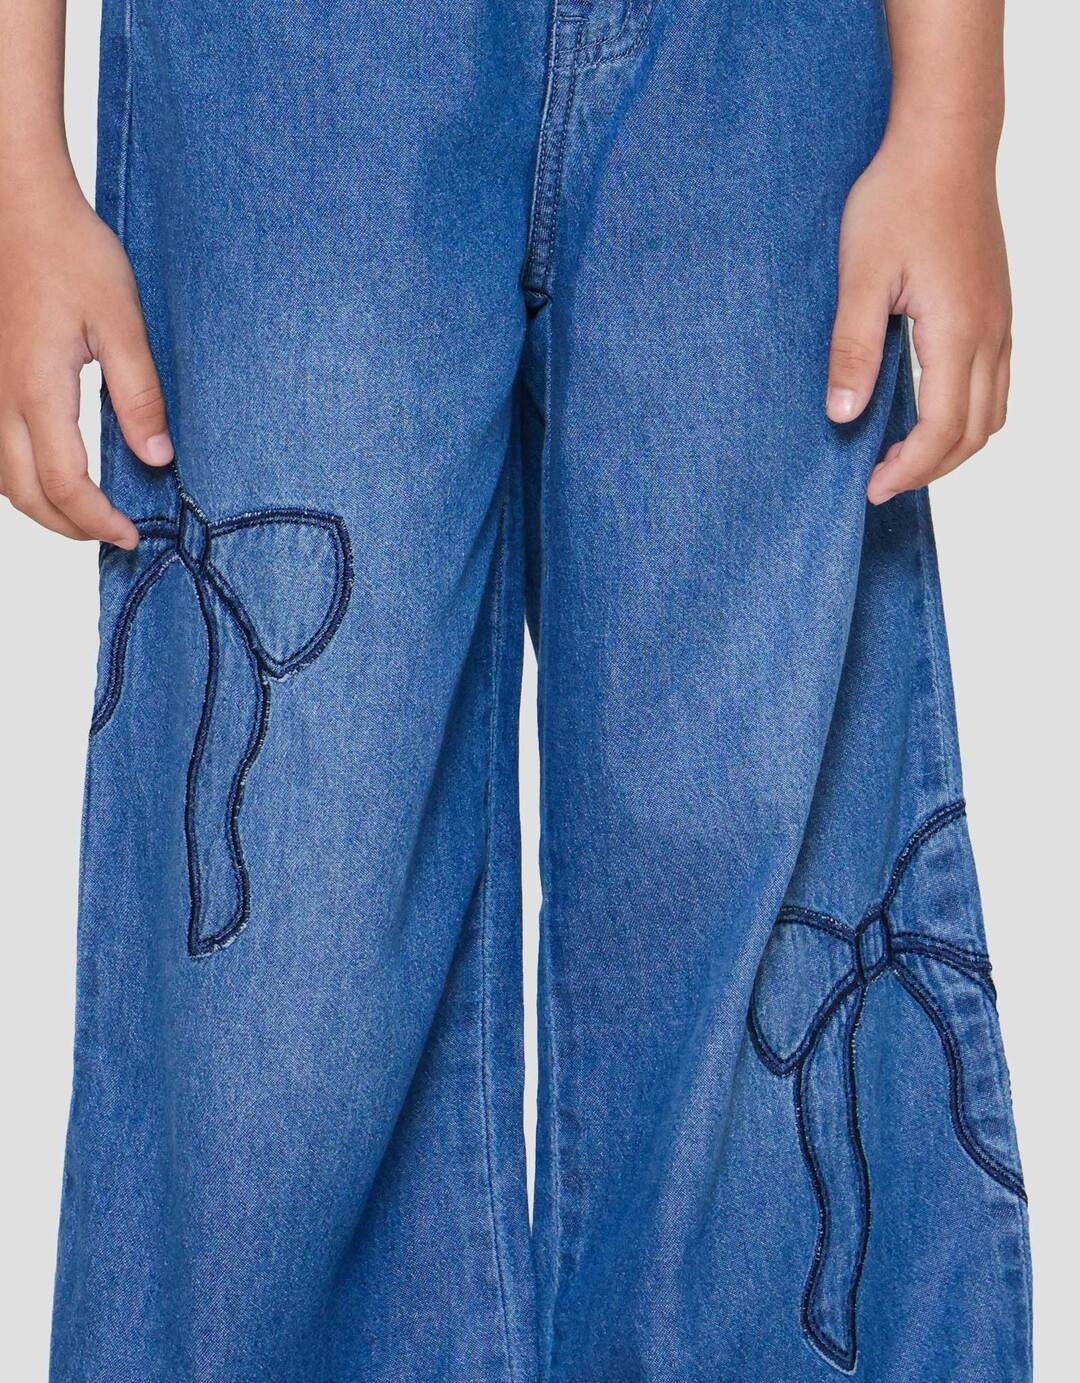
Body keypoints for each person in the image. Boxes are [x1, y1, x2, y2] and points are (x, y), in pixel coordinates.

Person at [0, 0, 1029, 1379]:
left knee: (759, 869)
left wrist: (951, 111)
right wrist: (15, 163)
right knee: (284, 933)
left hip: (756, 63)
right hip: (290, 71)